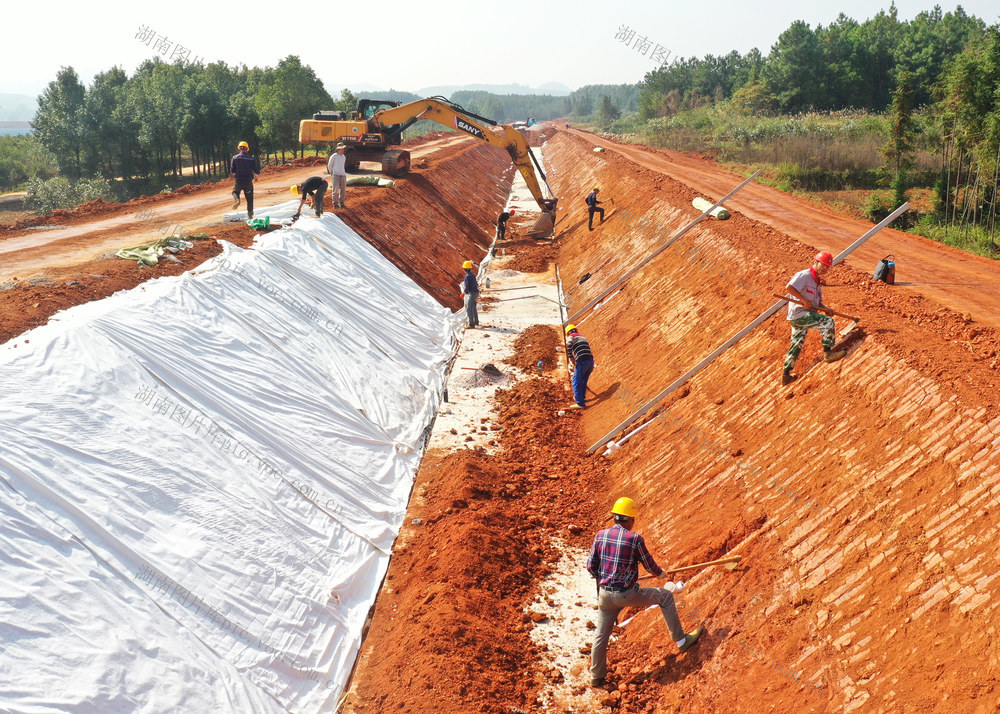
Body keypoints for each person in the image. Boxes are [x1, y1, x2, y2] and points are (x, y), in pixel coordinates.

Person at [587, 497, 703, 687]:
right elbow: (649, 565)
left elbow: (591, 566)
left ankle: (596, 676)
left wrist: (605, 578)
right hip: (626, 594)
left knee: (601, 635)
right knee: (665, 596)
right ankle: (682, 641)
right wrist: (661, 574)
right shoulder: (635, 539)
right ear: (630, 519)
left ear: (615, 517)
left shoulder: (600, 535)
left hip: (605, 595)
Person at [782, 251, 847, 385]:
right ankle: (828, 354)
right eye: (823, 265)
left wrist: (826, 309)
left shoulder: (817, 282)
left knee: (796, 344)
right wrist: (803, 300)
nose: (825, 268)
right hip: (799, 314)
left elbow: (816, 304)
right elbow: (789, 287)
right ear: (816, 262)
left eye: (827, 267)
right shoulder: (804, 275)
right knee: (828, 323)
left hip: (802, 316)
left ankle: (786, 374)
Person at [565, 324, 594, 408]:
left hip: (582, 361)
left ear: (568, 333)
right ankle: (582, 397)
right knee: (583, 380)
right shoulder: (582, 337)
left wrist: (571, 357)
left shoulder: (571, 336)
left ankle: (580, 403)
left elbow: (569, 344)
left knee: (576, 381)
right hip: (590, 361)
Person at [230, 141, 260, 219]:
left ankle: (237, 200)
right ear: (247, 149)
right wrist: (255, 175)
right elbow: (257, 171)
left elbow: (232, 171)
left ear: (239, 148)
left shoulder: (235, 158)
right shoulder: (251, 158)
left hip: (239, 180)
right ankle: (250, 215)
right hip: (248, 181)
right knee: (249, 199)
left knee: (235, 192)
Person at [327, 143, 348, 209]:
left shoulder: (343, 157)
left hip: (343, 175)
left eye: (343, 149)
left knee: (343, 190)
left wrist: (344, 173)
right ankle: (335, 204)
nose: (343, 150)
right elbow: (329, 165)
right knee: (335, 190)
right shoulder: (334, 156)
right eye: (342, 149)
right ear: (338, 149)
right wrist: (331, 172)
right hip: (336, 175)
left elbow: (342, 166)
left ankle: (342, 203)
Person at [461, 260, 479, 328]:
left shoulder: (467, 276)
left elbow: (467, 286)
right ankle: (476, 322)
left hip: (472, 293)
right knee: (473, 307)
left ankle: (471, 324)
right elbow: (476, 284)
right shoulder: (472, 275)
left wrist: (464, 293)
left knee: (469, 309)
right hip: (476, 292)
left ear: (464, 268)